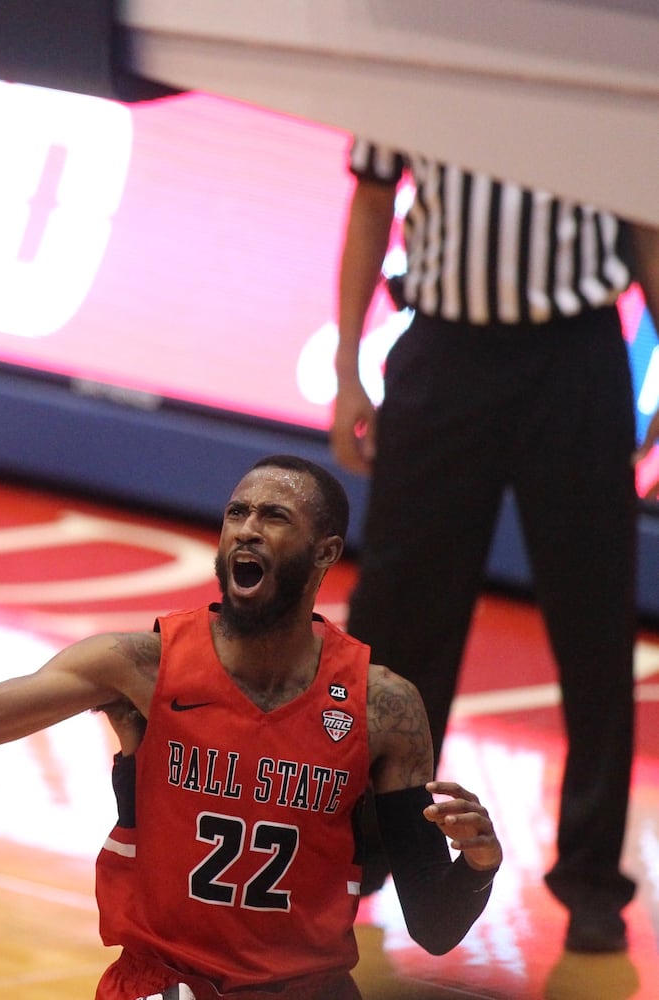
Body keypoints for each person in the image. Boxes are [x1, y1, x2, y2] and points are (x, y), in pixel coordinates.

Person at [0, 455, 503, 1000]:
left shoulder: (382, 705)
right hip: (163, 984)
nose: (247, 528)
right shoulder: (139, 667)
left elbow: (434, 926)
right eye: (237, 512)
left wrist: (478, 866)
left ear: (324, 552)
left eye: (274, 517)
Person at [331, 138, 659, 953]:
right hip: (443, 354)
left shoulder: (596, 47)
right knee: (397, 629)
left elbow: (644, 216)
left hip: (575, 356)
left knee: (594, 632)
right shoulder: (411, 43)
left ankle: (591, 882)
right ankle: (364, 850)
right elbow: (372, 200)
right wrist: (346, 366)